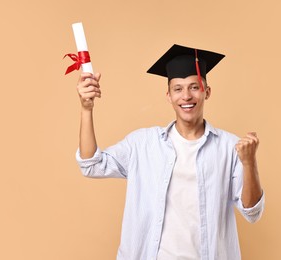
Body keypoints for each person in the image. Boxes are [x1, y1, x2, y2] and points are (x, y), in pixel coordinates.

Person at [75, 44, 265, 260]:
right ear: (168, 95)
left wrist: (249, 163)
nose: (186, 96)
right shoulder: (142, 144)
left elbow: (252, 212)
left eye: (194, 87)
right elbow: (91, 165)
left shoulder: (229, 147)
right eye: (178, 89)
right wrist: (86, 109)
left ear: (207, 92)